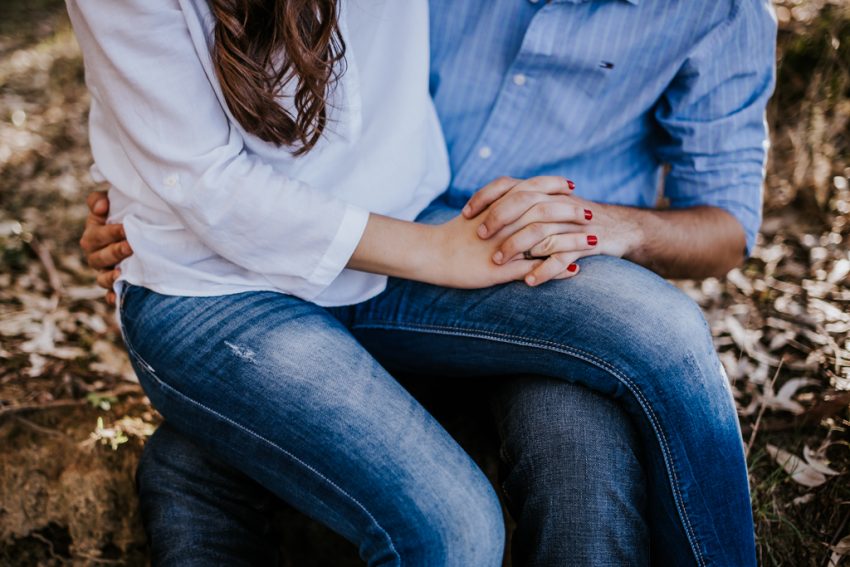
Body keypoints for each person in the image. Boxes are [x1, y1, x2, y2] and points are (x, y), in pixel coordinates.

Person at [74, 0, 777, 565]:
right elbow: (191, 148)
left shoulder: (720, 13)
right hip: (413, 252)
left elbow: (729, 227)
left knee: (610, 404)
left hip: (487, 264)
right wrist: (146, 187)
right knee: (191, 468)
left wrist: (619, 228)